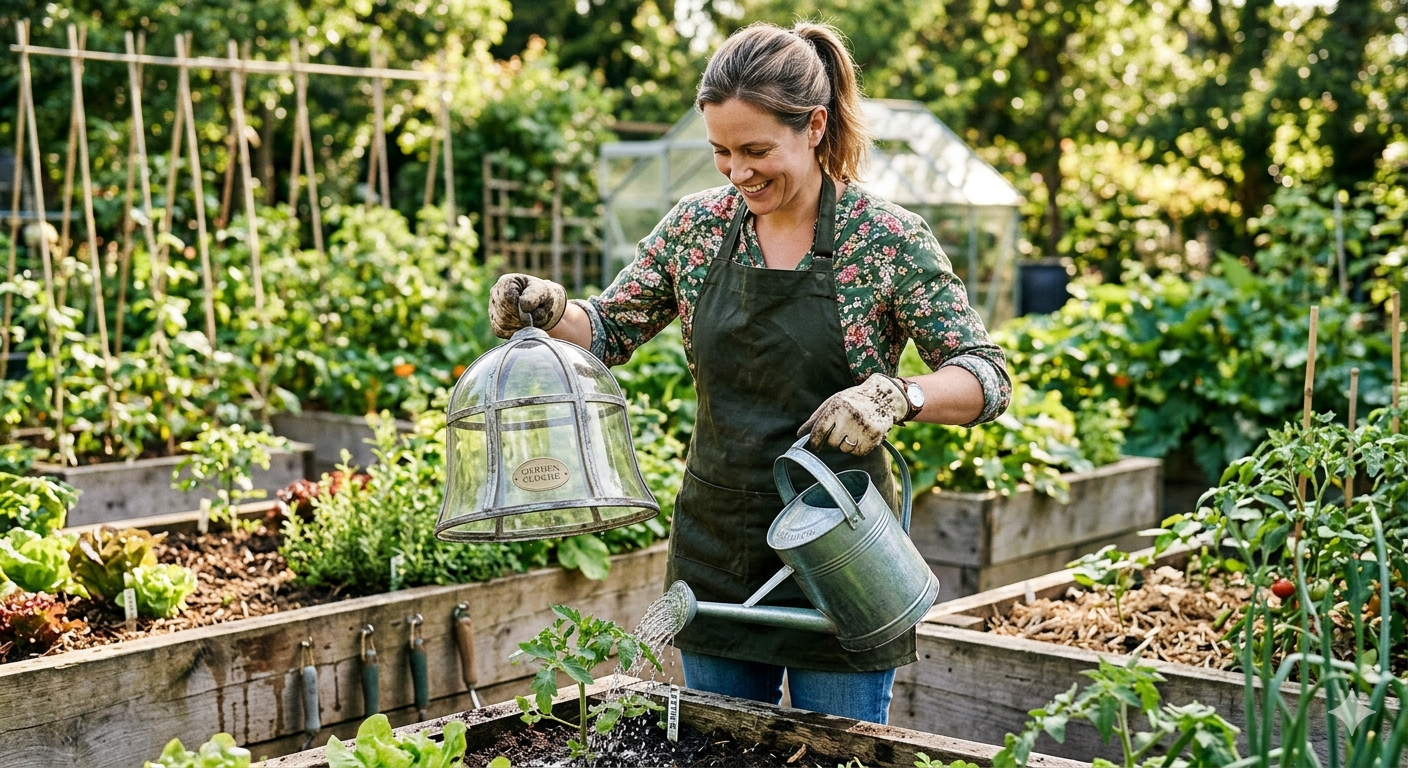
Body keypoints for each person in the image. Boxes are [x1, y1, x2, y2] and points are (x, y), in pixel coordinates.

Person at [488, 21, 1011, 724]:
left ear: (815, 126)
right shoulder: (696, 229)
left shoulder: (884, 240)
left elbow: (985, 375)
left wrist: (900, 394)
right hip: (719, 546)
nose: (738, 172)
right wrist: (551, 310)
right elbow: (609, 328)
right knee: (717, 747)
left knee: (840, 752)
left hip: (845, 552)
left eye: (757, 149)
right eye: (722, 152)